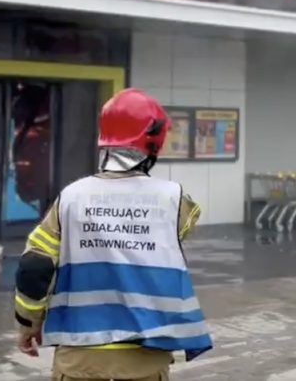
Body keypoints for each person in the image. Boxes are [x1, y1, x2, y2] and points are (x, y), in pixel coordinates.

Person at [13, 88, 212, 380]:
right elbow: (180, 231)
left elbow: (34, 266)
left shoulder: (72, 197)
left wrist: (28, 325)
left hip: (80, 358)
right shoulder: (174, 200)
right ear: (154, 143)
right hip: (144, 360)